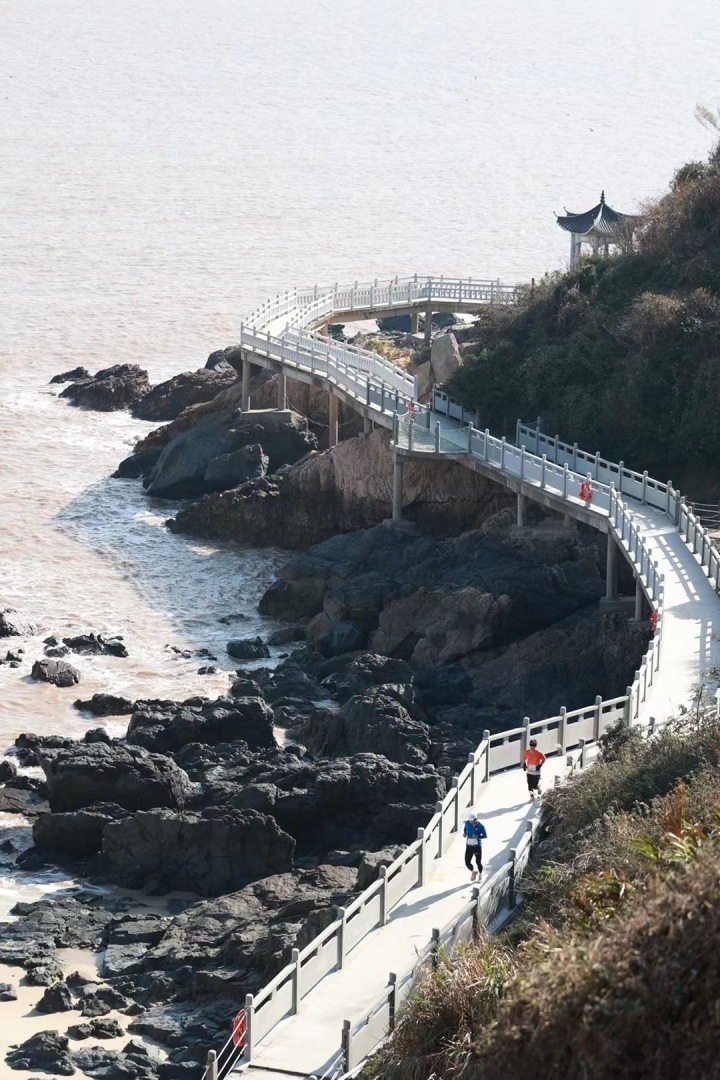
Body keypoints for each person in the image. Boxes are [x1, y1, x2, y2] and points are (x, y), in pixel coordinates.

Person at [463, 811, 487, 882]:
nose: (472, 823)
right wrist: (465, 833)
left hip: (477, 847)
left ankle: (480, 874)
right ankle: (473, 871)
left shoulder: (481, 826)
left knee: (478, 862)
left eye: (473, 821)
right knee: (467, 862)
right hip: (469, 846)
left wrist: (478, 836)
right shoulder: (467, 823)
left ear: (476, 820)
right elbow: (465, 830)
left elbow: (485, 835)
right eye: (470, 821)